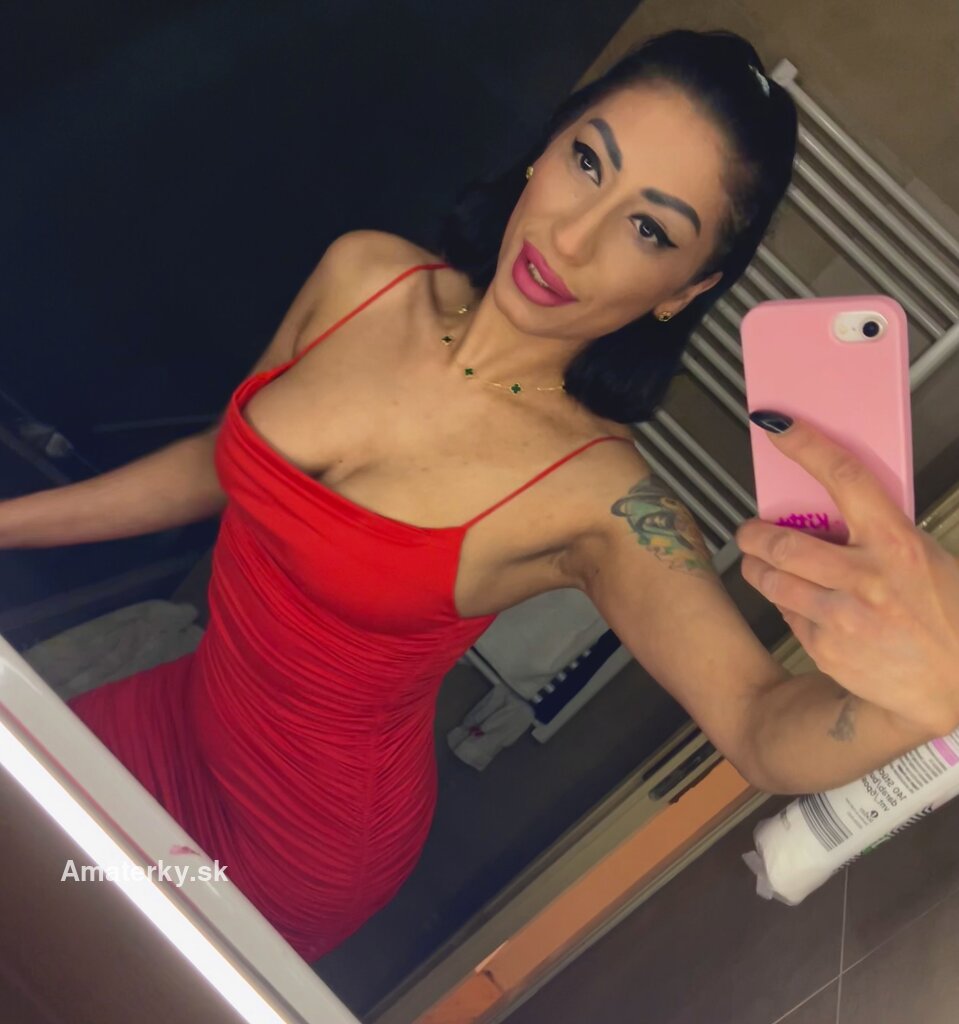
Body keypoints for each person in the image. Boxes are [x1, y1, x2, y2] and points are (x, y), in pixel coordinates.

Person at [3, 28, 958, 962]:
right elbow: (221, 458)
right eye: (587, 161)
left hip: (296, 838)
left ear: (684, 288)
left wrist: (931, 694)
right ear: (546, 146)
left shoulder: (601, 498)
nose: (572, 238)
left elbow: (756, 721)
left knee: (81, 969)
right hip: (179, 706)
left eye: (647, 229)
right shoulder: (363, 274)